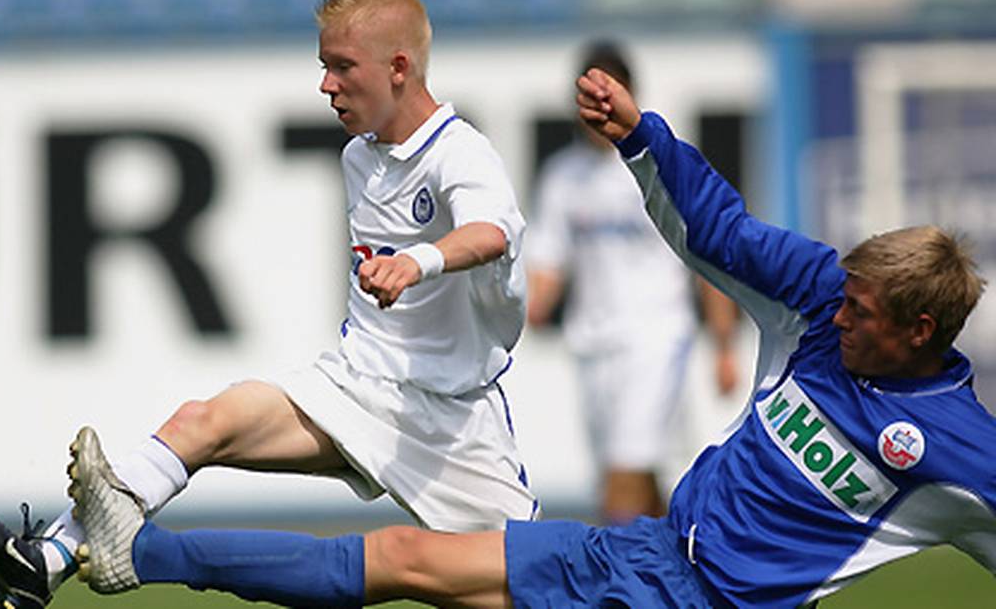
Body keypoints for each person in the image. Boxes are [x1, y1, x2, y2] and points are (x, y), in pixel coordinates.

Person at [60, 67, 994, 608]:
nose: (839, 314)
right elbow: (721, 231)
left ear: (919, 330)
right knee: (400, 559)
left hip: (694, 602)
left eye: (862, 313)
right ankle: (129, 552)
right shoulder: (826, 302)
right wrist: (644, 139)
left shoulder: (960, 452)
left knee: (408, 566)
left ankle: (131, 554)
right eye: (844, 296)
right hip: (651, 554)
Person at [0, 0, 538, 609]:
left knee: (519, 593)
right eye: (323, 67)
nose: (326, 85)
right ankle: (47, 560)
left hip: (455, 423)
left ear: (399, 67)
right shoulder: (359, 158)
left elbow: (491, 234)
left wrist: (417, 262)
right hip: (361, 385)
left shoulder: (460, 152)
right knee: (205, 422)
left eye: (342, 67)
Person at [525, 41, 740, 522]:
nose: (597, 110)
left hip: (657, 337)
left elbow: (708, 259)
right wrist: (530, 309)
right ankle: (688, 580)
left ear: (629, 95)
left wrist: (724, 346)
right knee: (637, 480)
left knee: (623, 475)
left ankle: (605, 592)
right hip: (593, 343)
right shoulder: (563, 177)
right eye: (587, 97)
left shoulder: (663, 166)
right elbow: (548, 262)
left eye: (608, 95)